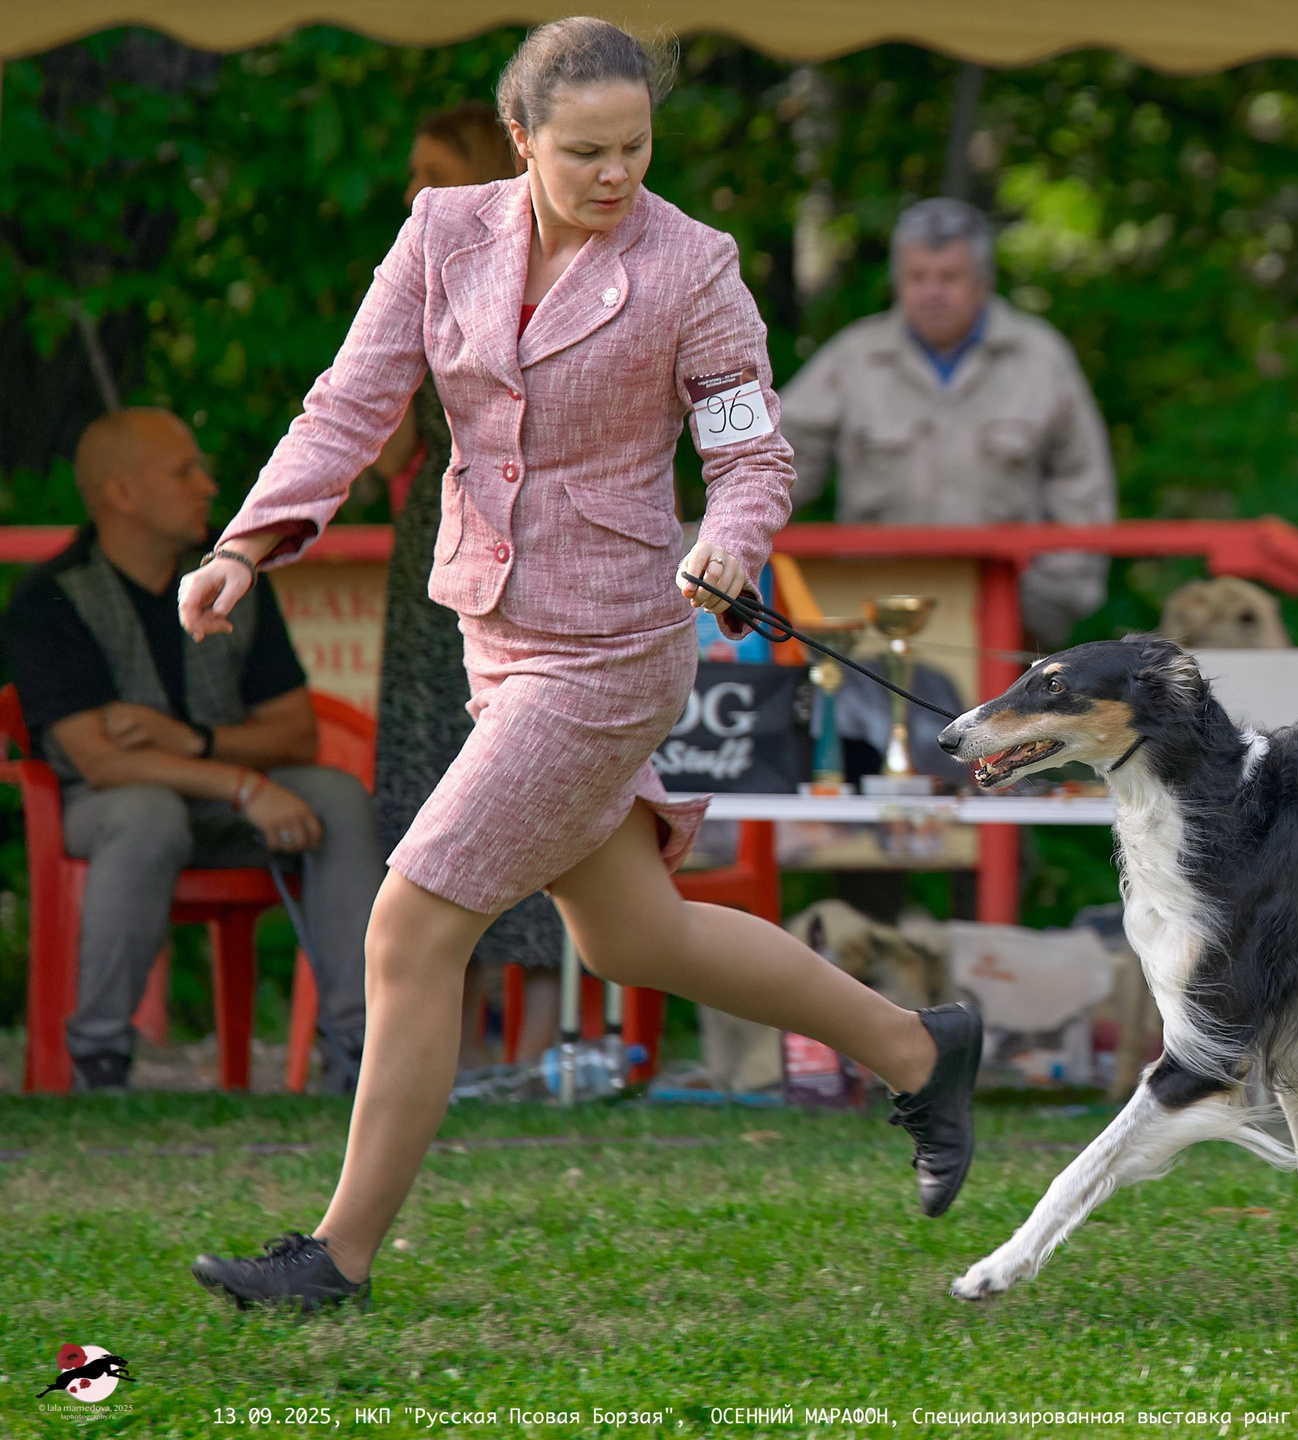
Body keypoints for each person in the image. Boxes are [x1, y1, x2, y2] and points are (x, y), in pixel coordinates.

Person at [180, 17, 982, 1312]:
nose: (617, 175)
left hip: (616, 644)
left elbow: (752, 451)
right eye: (586, 151)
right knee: (631, 938)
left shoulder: (695, 266)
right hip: (495, 633)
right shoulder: (444, 234)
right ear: (520, 140)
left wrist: (730, 540)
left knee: (411, 919)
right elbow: (352, 397)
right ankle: (916, 1047)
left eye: (637, 146)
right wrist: (248, 544)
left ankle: (336, 1258)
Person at [1, 409, 380, 1092]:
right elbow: (99, 762)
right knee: (147, 812)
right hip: (101, 813)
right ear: (121, 492)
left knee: (340, 798)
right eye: (184, 471)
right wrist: (240, 783)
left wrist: (198, 745)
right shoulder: (51, 599)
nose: (208, 486)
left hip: (228, 801)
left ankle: (357, 1056)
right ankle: (99, 1062)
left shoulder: (228, 578)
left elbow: (297, 734)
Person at [364, 101, 565, 1070]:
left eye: (432, 167)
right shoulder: (426, 272)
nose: (413, 189)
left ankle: (530, 1046)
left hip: (537, 546)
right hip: (433, 555)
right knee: (431, 782)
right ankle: (455, 1041)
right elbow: (386, 448)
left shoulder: (562, 273)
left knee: (522, 779)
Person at [779, 197, 1115, 651]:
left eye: (949, 277)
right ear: (898, 281)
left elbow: (1083, 486)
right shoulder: (855, 358)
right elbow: (778, 461)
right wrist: (733, 539)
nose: (932, 292)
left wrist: (1052, 601)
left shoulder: (1039, 358)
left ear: (982, 281)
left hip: (1007, 615)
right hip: (875, 612)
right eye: (918, 277)